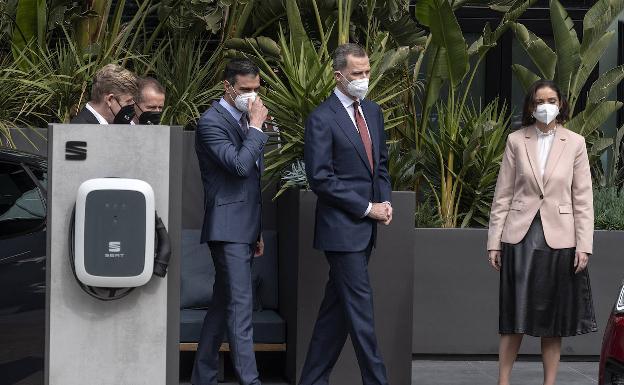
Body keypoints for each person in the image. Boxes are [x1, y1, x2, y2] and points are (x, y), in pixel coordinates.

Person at [487, 79, 597, 385]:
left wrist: (584, 245)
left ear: (560, 104)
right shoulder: (515, 140)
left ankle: (550, 382)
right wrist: (493, 242)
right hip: (519, 236)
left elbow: (583, 199)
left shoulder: (575, 143)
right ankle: (503, 381)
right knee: (513, 316)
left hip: (561, 238)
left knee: (554, 318)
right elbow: (503, 195)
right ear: (531, 106)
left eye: (551, 100)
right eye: (539, 101)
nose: (545, 106)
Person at [299, 43, 392, 385]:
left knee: (334, 312)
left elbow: (380, 166)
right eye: (357, 74)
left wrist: (385, 202)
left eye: (367, 72)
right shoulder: (321, 118)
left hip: (367, 229)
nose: (364, 79)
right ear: (338, 76)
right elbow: (321, 178)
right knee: (361, 313)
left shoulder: (374, 112)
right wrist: (369, 208)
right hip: (341, 231)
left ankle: (311, 380)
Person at [192, 58, 269, 385]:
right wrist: (255, 127)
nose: (251, 96)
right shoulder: (211, 122)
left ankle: (202, 376)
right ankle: (250, 381)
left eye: (255, 89)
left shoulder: (244, 119)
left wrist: (257, 230)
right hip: (226, 228)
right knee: (241, 308)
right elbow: (238, 166)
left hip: (244, 227)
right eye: (244, 89)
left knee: (223, 305)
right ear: (227, 86)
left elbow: (251, 181)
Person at [71, 64, 137, 124]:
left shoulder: (125, 122)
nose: (133, 104)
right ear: (109, 99)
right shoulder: (80, 131)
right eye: (128, 101)